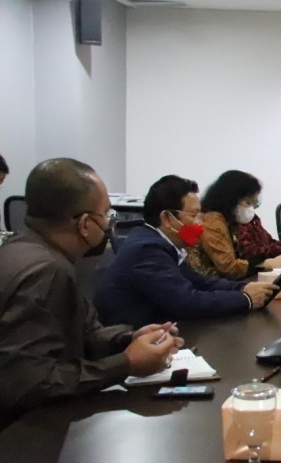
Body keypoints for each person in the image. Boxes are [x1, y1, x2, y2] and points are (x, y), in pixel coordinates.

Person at [0, 159, 183, 417]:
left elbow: (84, 334)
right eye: (107, 215)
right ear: (85, 224)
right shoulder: (47, 271)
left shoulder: (22, 249)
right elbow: (29, 384)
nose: (110, 224)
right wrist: (126, 363)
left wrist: (130, 339)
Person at [95, 175, 279, 329]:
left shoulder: (163, 243)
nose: (201, 223)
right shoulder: (147, 249)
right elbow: (187, 301)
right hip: (130, 343)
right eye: (194, 215)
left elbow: (200, 282)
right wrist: (245, 299)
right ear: (167, 218)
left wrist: (242, 288)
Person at [186, 171, 281, 280]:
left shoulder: (227, 221)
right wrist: (264, 264)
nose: (251, 209)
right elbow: (228, 267)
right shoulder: (213, 221)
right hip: (209, 286)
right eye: (247, 203)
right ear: (231, 199)